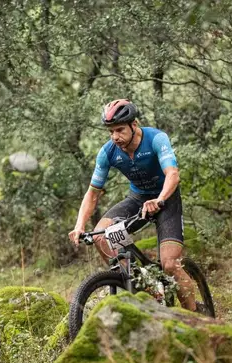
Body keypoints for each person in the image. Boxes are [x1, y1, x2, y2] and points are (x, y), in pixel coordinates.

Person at [68, 98, 198, 311]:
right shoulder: (108, 152)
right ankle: (145, 289)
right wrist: (79, 225)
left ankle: (195, 319)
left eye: (120, 130)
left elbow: (173, 174)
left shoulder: (156, 139)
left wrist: (159, 199)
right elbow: (92, 193)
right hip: (137, 199)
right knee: (100, 236)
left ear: (134, 125)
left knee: (169, 264)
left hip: (166, 199)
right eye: (111, 132)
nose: (115, 137)